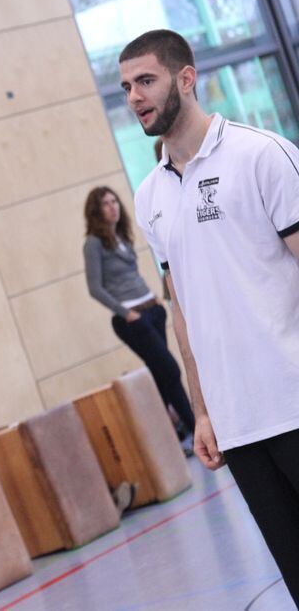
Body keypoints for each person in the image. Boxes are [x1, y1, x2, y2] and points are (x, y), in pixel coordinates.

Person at [120, 29, 299, 599]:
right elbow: (183, 311)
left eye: (146, 80)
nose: (135, 97)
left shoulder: (261, 155)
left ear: (186, 79)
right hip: (238, 424)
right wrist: (201, 411)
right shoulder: (150, 198)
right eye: (125, 87)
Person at [82, 185, 195, 446]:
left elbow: (131, 275)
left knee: (161, 374)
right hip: (132, 319)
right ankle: (193, 426)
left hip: (151, 310)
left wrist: (154, 297)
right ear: (96, 211)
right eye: (106, 204)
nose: (113, 207)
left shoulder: (121, 236)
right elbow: (94, 288)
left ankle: (167, 439)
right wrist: (126, 313)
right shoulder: (93, 243)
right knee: (170, 368)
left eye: (115, 201)